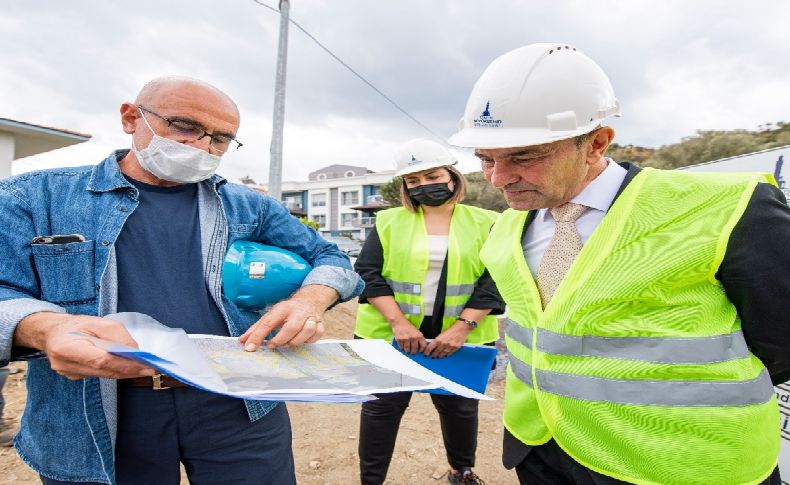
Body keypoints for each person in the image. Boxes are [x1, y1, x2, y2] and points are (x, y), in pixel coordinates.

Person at [447, 43, 790, 485]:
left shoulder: (727, 208)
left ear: (595, 144)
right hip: (542, 450)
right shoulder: (504, 231)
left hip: (683, 465)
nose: (497, 178)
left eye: (524, 157)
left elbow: (780, 341)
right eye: (486, 159)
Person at [0, 76, 363, 485]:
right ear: (130, 117)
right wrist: (49, 329)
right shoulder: (33, 198)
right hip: (95, 408)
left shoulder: (247, 205)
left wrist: (310, 300)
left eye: (221, 139)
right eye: (185, 127)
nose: (202, 147)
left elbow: (330, 256)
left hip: (236, 401)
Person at [353, 138, 504, 485]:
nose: (423, 185)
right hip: (391, 337)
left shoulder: (488, 222)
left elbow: (494, 279)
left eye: (432, 175)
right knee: (381, 410)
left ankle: (461, 472)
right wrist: (398, 323)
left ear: (451, 176)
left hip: (461, 336)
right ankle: (370, 481)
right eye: (413, 181)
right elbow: (368, 274)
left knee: (460, 409)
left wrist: (463, 327)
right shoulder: (388, 221)